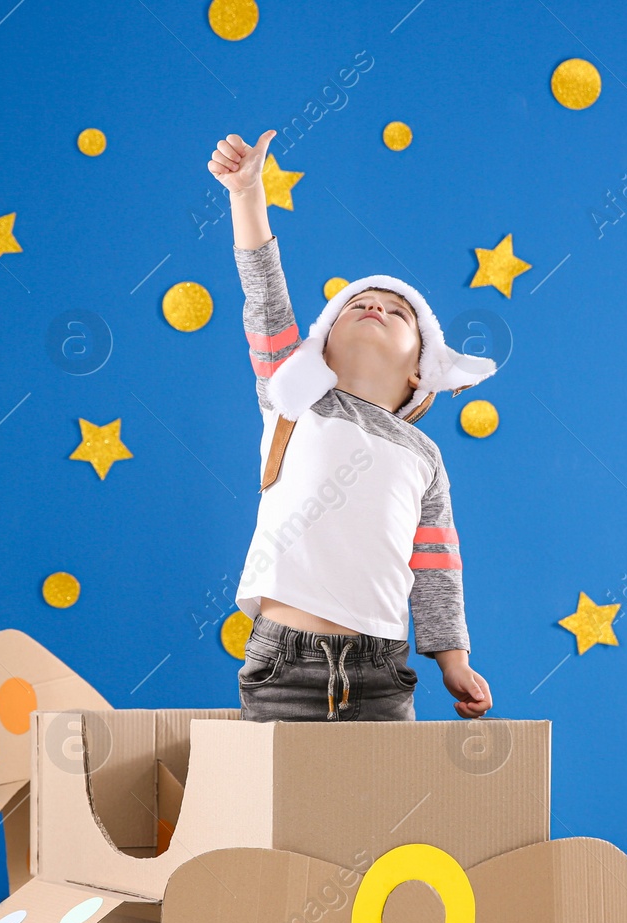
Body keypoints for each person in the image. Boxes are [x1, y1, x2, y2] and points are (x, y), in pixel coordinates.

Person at [208, 129, 496, 723]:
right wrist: (246, 194)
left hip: (382, 671)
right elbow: (264, 293)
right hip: (282, 663)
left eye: (397, 312)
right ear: (320, 346)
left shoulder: (423, 455)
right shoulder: (294, 395)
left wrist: (453, 659)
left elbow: (436, 561)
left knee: (382, 811)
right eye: (356, 304)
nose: (375, 306)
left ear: (422, 372)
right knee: (280, 811)